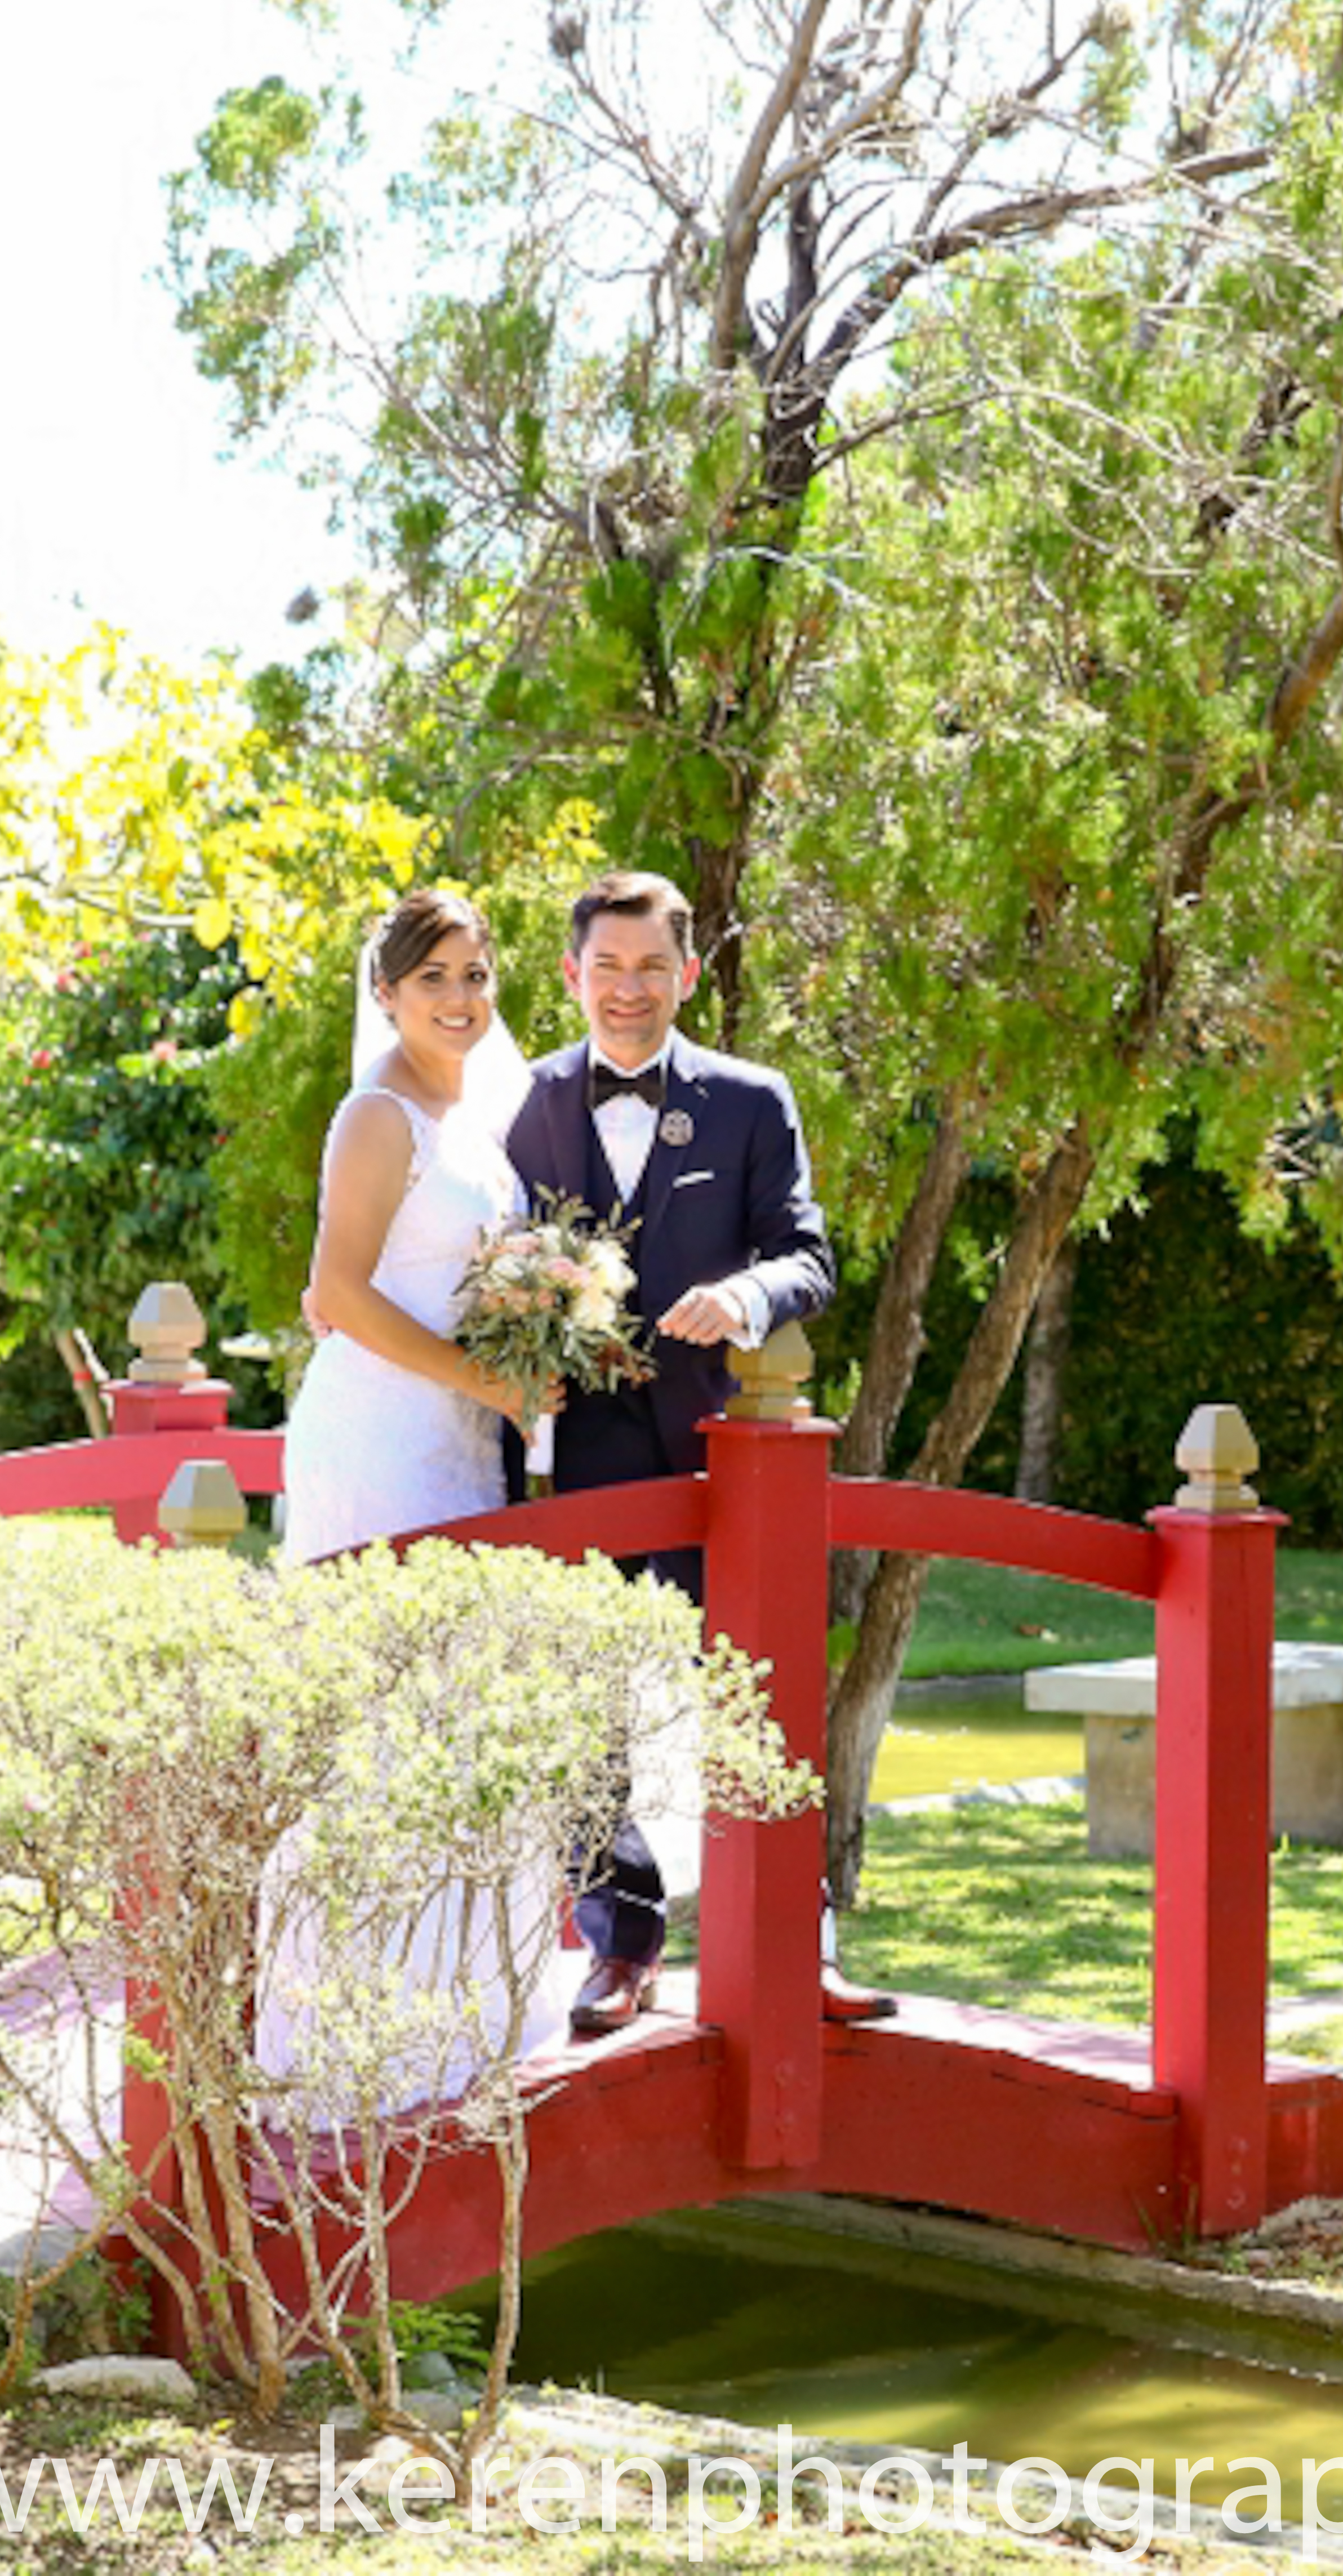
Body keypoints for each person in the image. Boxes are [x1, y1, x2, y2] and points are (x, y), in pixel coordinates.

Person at [504, 870, 877, 2035]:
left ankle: (792, 1942)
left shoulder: (751, 1100)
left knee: (753, 1695)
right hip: (572, 1455)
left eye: (651, 966)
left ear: (689, 973)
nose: (628, 988)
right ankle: (621, 1943)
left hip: (726, 1454)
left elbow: (807, 1254)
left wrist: (746, 1292)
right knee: (580, 1707)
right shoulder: (515, 1104)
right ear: (571, 975)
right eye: (606, 967)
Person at [274, 889, 547, 1563]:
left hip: (462, 1433)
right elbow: (337, 1291)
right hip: (377, 1435)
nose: (458, 997)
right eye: (433, 977)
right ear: (386, 991)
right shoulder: (379, 1113)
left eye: (474, 976)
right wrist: (484, 1381)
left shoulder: (470, 1118)